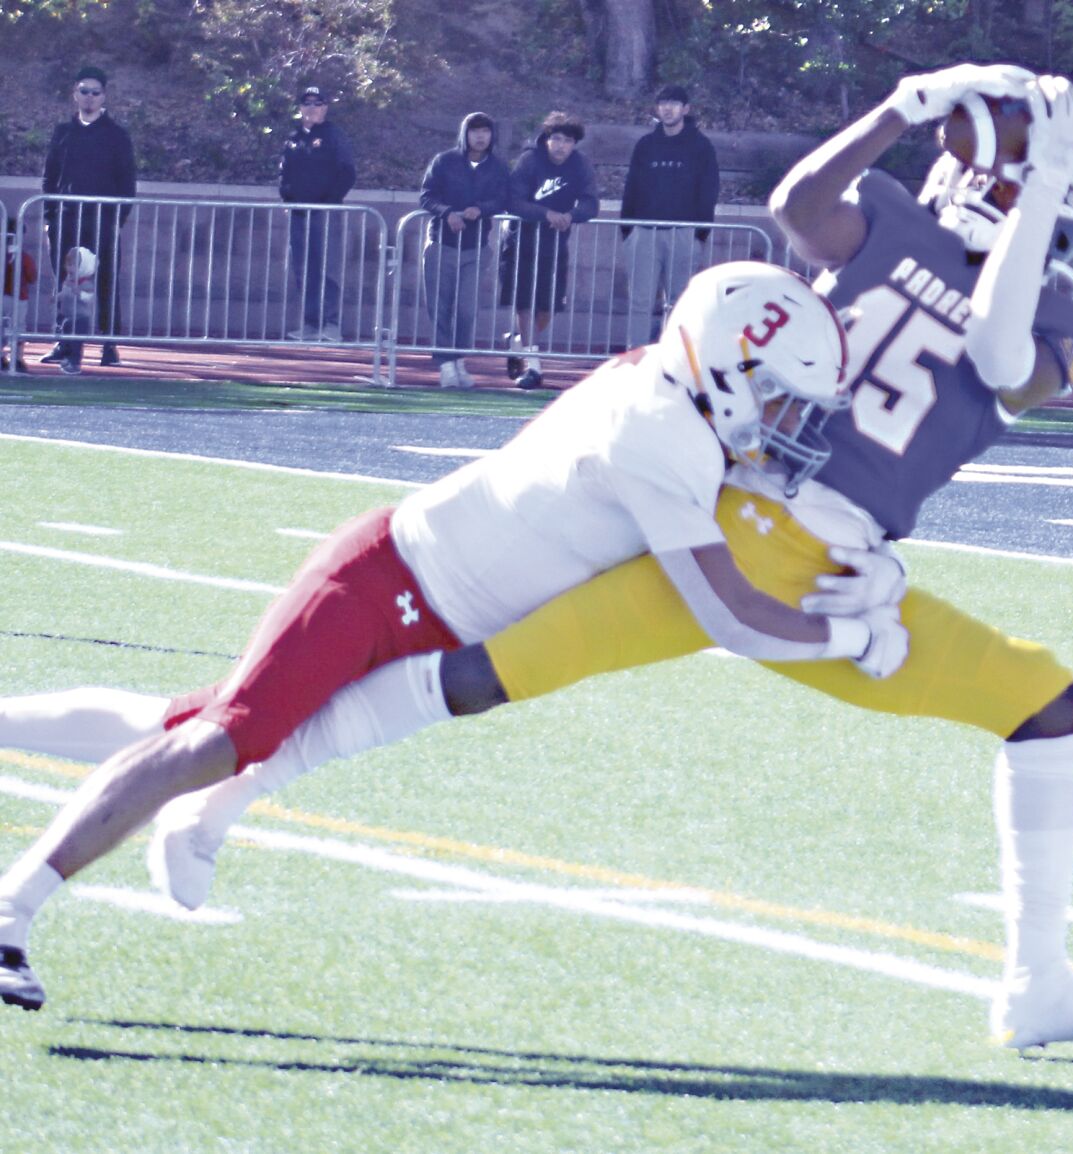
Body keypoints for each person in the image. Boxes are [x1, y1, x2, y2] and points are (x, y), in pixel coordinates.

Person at [2, 66, 1073, 1051]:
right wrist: (864, 619)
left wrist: (963, 156)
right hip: (763, 539)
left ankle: (219, 799)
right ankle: (1036, 981)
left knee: (443, 680)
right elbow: (836, 238)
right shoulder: (905, 269)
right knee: (1045, 703)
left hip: (749, 527)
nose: (991, 179)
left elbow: (996, 334)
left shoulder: (1036, 298)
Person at [0, 261, 907, 1014]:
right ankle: (13, 910)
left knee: (193, 723)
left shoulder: (671, 390)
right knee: (224, 738)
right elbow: (731, 614)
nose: (788, 422)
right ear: (726, 366)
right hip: (384, 582)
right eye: (778, 396)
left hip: (433, 609)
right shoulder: (659, 431)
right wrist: (850, 636)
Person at [39, 65, 136, 373]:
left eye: (95, 92)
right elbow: (50, 176)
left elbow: (127, 182)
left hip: (102, 219)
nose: (89, 98)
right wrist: (49, 217)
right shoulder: (63, 133)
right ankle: (63, 341)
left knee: (106, 280)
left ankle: (109, 344)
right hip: (66, 218)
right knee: (67, 284)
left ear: (104, 96)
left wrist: (116, 219)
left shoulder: (116, 136)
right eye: (84, 91)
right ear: (75, 94)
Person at [500, 111, 598, 390]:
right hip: (521, 241)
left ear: (574, 144)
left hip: (555, 245)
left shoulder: (580, 165)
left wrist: (572, 215)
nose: (561, 146)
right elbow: (513, 200)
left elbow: (591, 204)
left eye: (567, 141)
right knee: (525, 303)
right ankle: (534, 366)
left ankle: (518, 342)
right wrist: (546, 214)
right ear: (546, 139)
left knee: (550, 305)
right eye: (556, 139)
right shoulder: (530, 160)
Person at [620, 84, 721, 349]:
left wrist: (700, 234)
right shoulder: (646, 145)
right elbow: (631, 187)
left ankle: (675, 357)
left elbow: (708, 191)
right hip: (644, 232)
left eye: (674, 103)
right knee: (640, 301)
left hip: (684, 233)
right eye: (663, 102)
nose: (668, 108)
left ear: (685, 109)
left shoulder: (701, 146)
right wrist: (628, 230)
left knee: (679, 301)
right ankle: (636, 359)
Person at [419, 112, 509, 389]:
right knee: (440, 308)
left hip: (476, 248)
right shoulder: (444, 161)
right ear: (464, 134)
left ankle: (459, 359)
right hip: (441, 245)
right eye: (474, 131)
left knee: (467, 309)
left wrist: (481, 210)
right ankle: (446, 364)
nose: (480, 136)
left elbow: (505, 199)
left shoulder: (497, 167)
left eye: (485, 131)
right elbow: (426, 196)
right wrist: (447, 213)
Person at [279, 85, 357, 343]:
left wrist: (330, 200)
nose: (311, 108)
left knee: (328, 268)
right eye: (307, 103)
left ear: (325, 107)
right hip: (299, 212)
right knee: (304, 270)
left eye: (317, 103)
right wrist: (287, 196)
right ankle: (311, 324)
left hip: (325, 211)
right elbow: (285, 172)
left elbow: (347, 171)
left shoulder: (334, 135)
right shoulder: (293, 138)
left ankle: (331, 323)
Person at [48, 246, 98, 377]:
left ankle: (75, 363)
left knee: (76, 342)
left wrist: (80, 293)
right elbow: (64, 292)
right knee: (66, 336)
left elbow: (90, 298)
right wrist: (56, 297)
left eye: (73, 265)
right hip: (68, 317)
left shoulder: (86, 283)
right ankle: (65, 355)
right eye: (68, 265)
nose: (69, 268)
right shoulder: (69, 280)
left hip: (81, 318)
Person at [1, 215, 39, 373]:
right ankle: (16, 358)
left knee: (5, 327)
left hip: (10, 297)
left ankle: (10, 357)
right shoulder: (24, 258)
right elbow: (32, 278)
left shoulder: (21, 257)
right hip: (18, 298)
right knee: (17, 328)